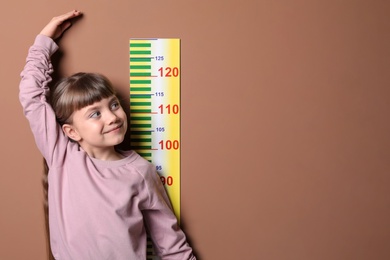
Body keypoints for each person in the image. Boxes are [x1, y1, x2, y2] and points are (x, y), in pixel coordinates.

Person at [19, 10, 196, 260]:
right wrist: (44, 41)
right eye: (95, 114)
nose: (112, 117)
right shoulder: (62, 156)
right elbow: (31, 96)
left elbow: (171, 243)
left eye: (113, 105)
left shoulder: (141, 172)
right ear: (71, 131)